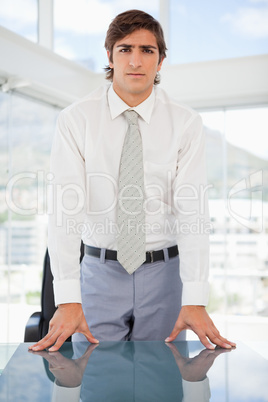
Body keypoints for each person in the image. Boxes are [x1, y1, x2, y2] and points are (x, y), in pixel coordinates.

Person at [29, 9, 235, 352]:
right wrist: (67, 298)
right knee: (98, 379)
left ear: (161, 60)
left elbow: (193, 213)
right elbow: (65, 213)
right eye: (125, 49)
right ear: (109, 55)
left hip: (165, 275)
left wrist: (195, 297)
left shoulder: (185, 123)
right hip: (99, 272)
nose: (136, 60)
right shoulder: (76, 120)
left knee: (161, 380)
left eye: (147, 50)